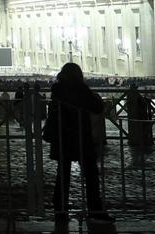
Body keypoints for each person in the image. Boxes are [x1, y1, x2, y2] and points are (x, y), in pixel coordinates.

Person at [48, 63, 112, 223]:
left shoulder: (57, 90)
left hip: (62, 138)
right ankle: (95, 209)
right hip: (80, 136)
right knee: (91, 175)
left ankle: (60, 209)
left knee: (62, 175)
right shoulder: (80, 89)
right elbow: (97, 106)